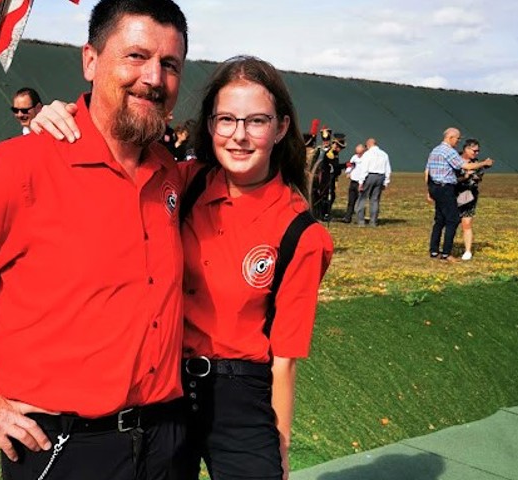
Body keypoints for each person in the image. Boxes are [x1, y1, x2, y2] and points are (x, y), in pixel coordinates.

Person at [0, 1, 189, 479]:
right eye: (135, 56)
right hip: (65, 447)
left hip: (166, 441)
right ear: (90, 60)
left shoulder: (170, 172)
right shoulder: (23, 165)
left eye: (170, 64)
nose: (153, 76)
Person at [32, 55, 334, 480]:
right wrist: (61, 116)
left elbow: (284, 359)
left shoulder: (301, 233)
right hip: (164, 391)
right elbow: (116, 151)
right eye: (226, 120)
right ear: (210, 126)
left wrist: (279, 446)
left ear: (281, 127)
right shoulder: (180, 181)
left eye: (257, 121)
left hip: (240, 397)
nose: (239, 136)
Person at [426, 128, 492, 262]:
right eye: (457, 139)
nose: (457, 142)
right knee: (453, 220)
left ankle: (434, 251)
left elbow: (427, 171)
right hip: (446, 188)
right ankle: (446, 253)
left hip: (435, 186)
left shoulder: (435, 150)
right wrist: (484, 163)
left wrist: (429, 190)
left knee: (439, 220)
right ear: (450, 137)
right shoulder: (448, 151)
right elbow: (465, 166)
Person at [456, 138, 490, 261]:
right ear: (466, 149)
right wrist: (464, 176)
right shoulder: (454, 158)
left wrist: (469, 176)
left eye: (478, 151)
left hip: (469, 196)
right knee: (451, 223)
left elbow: (476, 178)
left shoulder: (478, 164)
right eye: (474, 151)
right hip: (452, 195)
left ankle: (467, 251)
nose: (476, 153)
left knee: (467, 223)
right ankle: (446, 249)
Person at [354, 138, 391, 226]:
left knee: (362, 198)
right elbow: (388, 169)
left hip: (370, 176)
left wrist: (361, 182)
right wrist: (386, 182)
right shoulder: (384, 154)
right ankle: (373, 221)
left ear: (369, 145)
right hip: (380, 176)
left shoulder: (367, 154)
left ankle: (361, 221)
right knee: (375, 200)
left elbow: (364, 168)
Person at [340, 142, 366, 223]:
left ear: (363, 151)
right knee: (351, 201)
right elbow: (350, 165)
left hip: (360, 182)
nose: (358, 154)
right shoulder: (354, 157)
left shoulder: (366, 158)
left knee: (360, 201)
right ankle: (347, 217)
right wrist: (348, 172)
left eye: (359, 153)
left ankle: (360, 218)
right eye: (357, 153)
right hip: (353, 181)